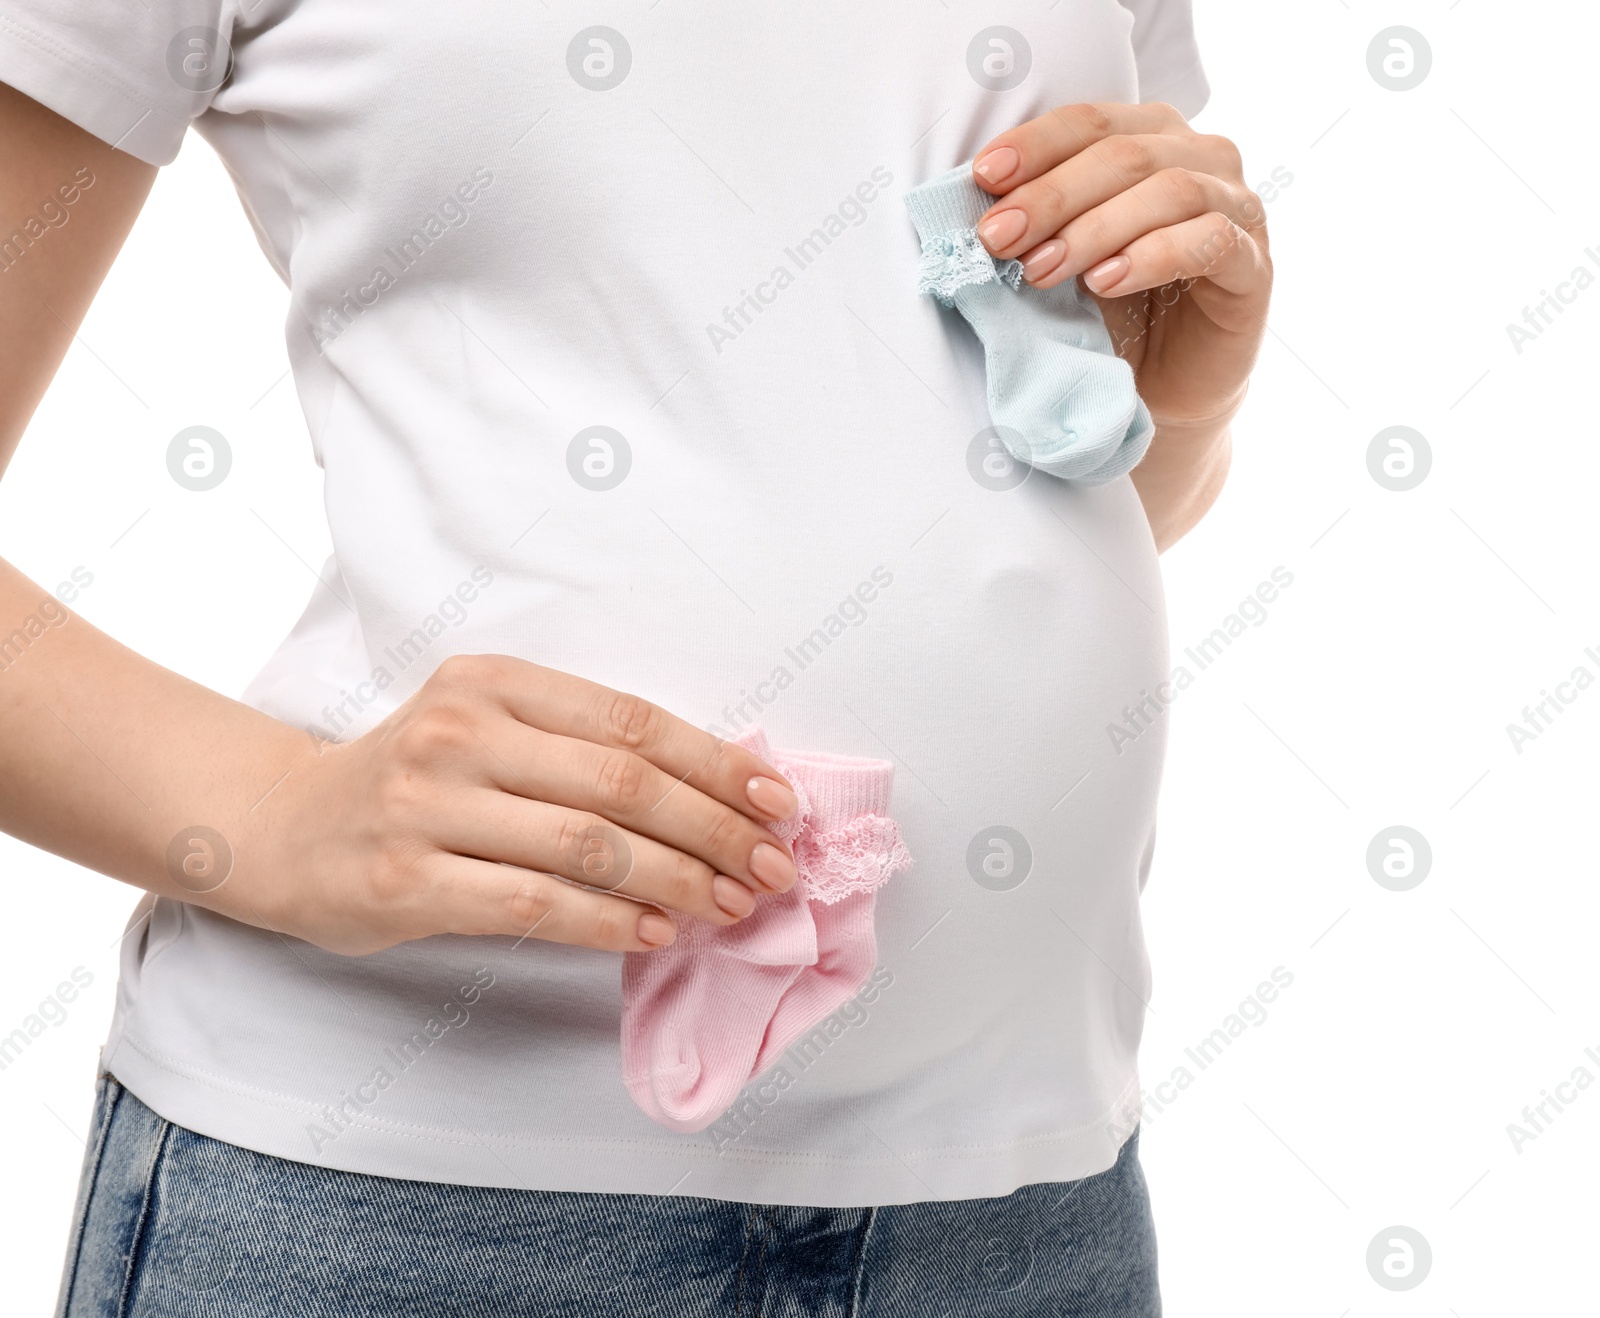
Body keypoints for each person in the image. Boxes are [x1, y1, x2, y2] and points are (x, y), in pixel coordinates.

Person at [0, 2, 1272, 1312]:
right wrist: (273, 815)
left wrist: (1185, 401)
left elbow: (1046, 482)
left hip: (1022, 1202)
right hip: (407, 1215)